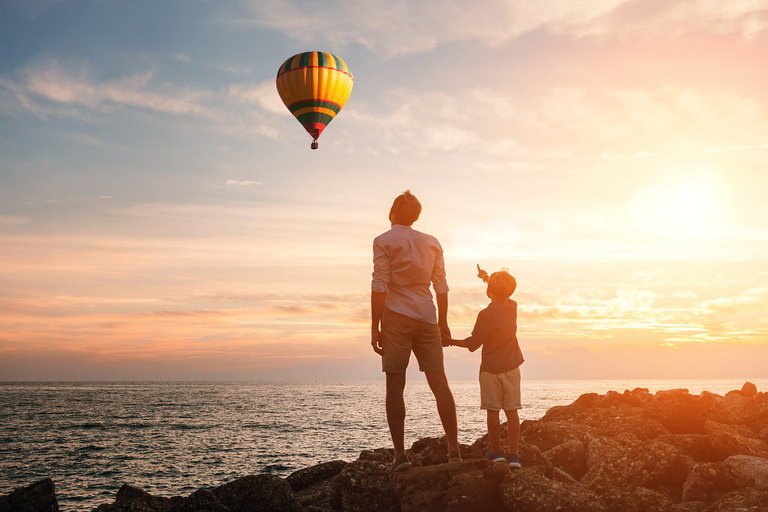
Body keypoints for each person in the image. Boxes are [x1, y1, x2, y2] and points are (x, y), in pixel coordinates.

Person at [371, 190, 461, 474]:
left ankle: (400, 456)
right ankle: (454, 450)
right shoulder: (432, 242)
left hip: (397, 318)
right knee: (440, 384)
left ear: (392, 213)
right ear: (417, 216)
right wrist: (443, 323)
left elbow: (379, 285)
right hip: (427, 317)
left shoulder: (383, 241)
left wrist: (375, 325)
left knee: (395, 386)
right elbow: (442, 287)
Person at [448, 266, 524, 468]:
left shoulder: (485, 315)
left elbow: (473, 343)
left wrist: (449, 341)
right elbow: (502, 294)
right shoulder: (512, 307)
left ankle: (497, 453)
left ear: (489, 290)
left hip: (490, 369)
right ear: (511, 291)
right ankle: (514, 455)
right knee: (512, 411)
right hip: (512, 368)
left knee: (493, 411)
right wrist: (486, 278)